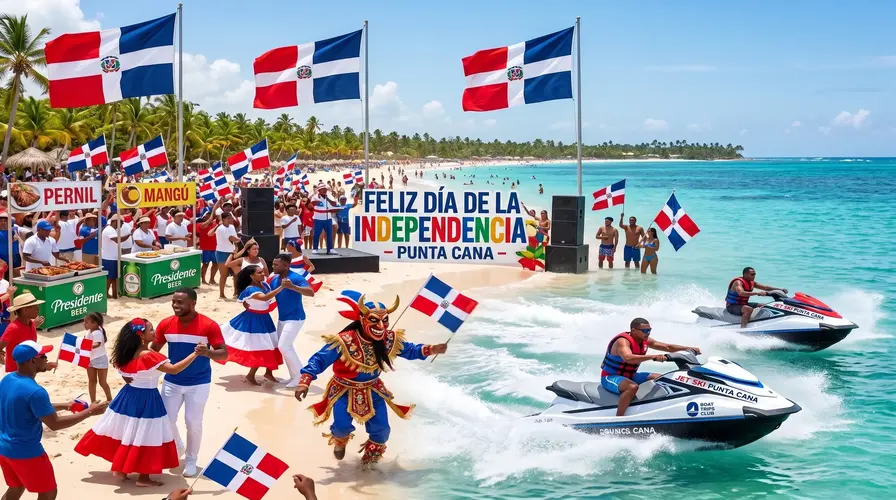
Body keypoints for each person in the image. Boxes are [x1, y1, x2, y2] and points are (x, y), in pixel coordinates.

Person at [294, 292, 448, 465]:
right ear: (362, 319)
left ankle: (369, 466)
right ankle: (340, 440)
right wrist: (305, 381)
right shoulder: (344, 340)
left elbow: (410, 350)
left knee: (382, 431)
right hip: (344, 390)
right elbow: (319, 359)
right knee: (341, 427)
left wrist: (432, 349)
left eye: (385, 320)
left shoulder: (389, 339)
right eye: (374, 320)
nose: (381, 326)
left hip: (373, 390)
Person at [76, 318, 199, 487]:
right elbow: (175, 369)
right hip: (147, 398)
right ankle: (143, 478)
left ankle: (122, 469)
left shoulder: (125, 353)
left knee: (127, 431)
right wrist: (196, 353)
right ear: (141, 335)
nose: (154, 332)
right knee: (146, 434)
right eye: (151, 330)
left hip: (127, 397)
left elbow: (127, 377)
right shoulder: (149, 356)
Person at [0, 341, 108, 500]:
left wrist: (65, 405)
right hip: (27, 452)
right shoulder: (36, 391)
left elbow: (26, 406)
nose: (46, 359)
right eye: (43, 356)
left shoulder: (8, 380)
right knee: (48, 492)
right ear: (32, 361)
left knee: (16, 487)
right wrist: (89, 412)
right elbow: (55, 424)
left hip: (5, 449)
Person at [150, 288, 227, 478]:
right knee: (165, 420)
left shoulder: (209, 325)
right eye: (174, 302)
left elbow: (223, 353)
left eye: (180, 303)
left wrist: (208, 352)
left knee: (193, 423)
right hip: (172, 381)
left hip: (199, 382)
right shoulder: (165, 324)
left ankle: (192, 459)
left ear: (193, 303)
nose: (175, 306)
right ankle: (178, 447)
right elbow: (153, 351)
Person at [600, 318, 701, 416]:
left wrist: (687, 348)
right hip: (610, 377)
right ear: (634, 330)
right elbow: (628, 358)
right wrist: (653, 356)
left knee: (664, 378)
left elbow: (667, 347)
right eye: (644, 330)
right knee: (632, 387)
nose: (647, 333)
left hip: (631, 376)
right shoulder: (622, 341)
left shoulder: (645, 341)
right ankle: (619, 419)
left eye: (649, 330)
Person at [221, 265, 289, 386]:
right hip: (253, 321)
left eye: (263, 271)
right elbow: (265, 298)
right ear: (252, 276)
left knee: (272, 345)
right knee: (260, 347)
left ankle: (269, 373)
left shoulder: (265, 285)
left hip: (264, 319)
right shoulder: (250, 289)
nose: (263, 274)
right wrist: (281, 287)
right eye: (259, 272)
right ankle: (251, 375)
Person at [268, 254, 315, 387]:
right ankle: (294, 376)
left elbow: (310, 292)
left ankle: (301, 376)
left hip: (295, 318)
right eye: (273, 264)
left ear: (286, 265)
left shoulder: (296, 278)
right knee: (285, 347)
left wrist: (293, 287)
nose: (273, 266)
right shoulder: (275, 279)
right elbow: (268, 295)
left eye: (276, 265)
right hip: (282, 318)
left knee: (284, 346)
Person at [0, 293, 49, 373]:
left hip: (29, 371)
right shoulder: (13, 328)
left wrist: (44, 367)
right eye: (35, 307)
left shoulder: (31, 324)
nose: (38, 309)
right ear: (25, 310)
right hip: (16, 373)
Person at [83, 313, 112, 403]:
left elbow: (97, 344)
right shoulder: (88, 332)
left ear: (95, 323)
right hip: (90, 359)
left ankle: (110, 399)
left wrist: (86, 346)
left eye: (87, 322)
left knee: (102, 382)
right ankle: (93, 402)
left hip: (100, 359)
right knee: (92, 381)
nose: (84, 324)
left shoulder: (97, 332)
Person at [101, 215, 129, 299]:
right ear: (115, 221)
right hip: (109, 258)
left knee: (114, 278)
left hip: (112, 257)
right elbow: (117, 240)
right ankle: (105, 294)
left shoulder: (112, 230)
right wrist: (128, 235)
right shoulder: (109, 230)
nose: (122, 224)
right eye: (121, 222)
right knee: (109, 278)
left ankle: (114, 294)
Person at [213, 213, 240, 299]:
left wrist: (236, 248)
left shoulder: (232, 227)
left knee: (236, 273)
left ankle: (235, 292)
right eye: (228, 218)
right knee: (224, 275)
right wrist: (236, 240)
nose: (230, 219)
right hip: (222, 253)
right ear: (223, 219)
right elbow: (230, 238)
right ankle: (221, 294)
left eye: (231, 218)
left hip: (231, 253)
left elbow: (234, 239)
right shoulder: (220, 229)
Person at [310, 183, 340, 255]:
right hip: (318, 218)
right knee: (317, 234)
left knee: (329, 234)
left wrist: (328, 199)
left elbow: (334, 204)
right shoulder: (315, 197)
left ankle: (330, 249)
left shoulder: (329, 196)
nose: (324, 190)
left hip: (328, 218)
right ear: (319, 190)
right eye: (323, 189)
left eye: (325, 189)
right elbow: (311, 205)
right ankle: (315, 248)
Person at [197, 209, 218, 285]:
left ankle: (212, 279)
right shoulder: (200, 224)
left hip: (215, 248)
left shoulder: (215, 224)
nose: (209, 217)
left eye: (210, 215)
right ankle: (203, 280)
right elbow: (208, 222)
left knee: (216, 264)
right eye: (207, 215)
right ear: (204, 217)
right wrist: (210, 218)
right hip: (205, 248)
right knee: (205, 264)